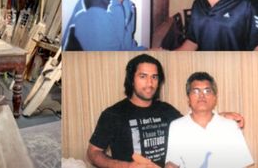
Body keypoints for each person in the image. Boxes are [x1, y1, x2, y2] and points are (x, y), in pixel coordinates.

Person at [87, 54, 244, 168]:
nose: (150, 83)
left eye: (154, 77)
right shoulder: (113, 114)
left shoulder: (166, 110)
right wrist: (127, 166)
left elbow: (193, 123)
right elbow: (93, 153)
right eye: (143, 76)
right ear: (131, 79)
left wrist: (221, 116)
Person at [165, 72, 253, 168]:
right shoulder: (177, 126)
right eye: (196, 91)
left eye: (207, 91)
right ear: (188, 98)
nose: (202, 95)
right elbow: (172, 163)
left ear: (215, 98)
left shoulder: (230, 126)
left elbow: (243, 164)